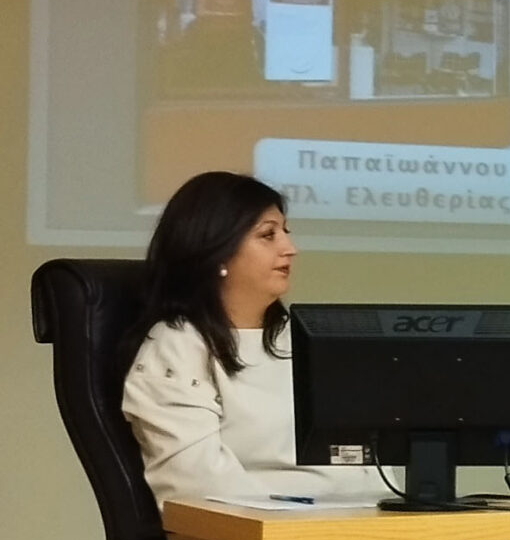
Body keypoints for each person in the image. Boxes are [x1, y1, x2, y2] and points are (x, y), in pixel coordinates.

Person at [121, 171, 375, 503]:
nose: (290, 249)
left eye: (285, 232)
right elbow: (198, 485)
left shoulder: (304, 339)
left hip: (357, 523)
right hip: (264, 529)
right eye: (268, 235)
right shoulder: (177, 346)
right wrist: (303, 518)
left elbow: (367, 462)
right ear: (218, 251)